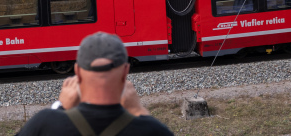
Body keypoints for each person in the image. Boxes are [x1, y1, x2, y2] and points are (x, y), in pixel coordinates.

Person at [15, 32, 173, 136]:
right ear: (125, 72)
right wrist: (138, 110)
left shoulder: (45, 124)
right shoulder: (150, 131)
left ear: (77, 72)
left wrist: (59, 105)